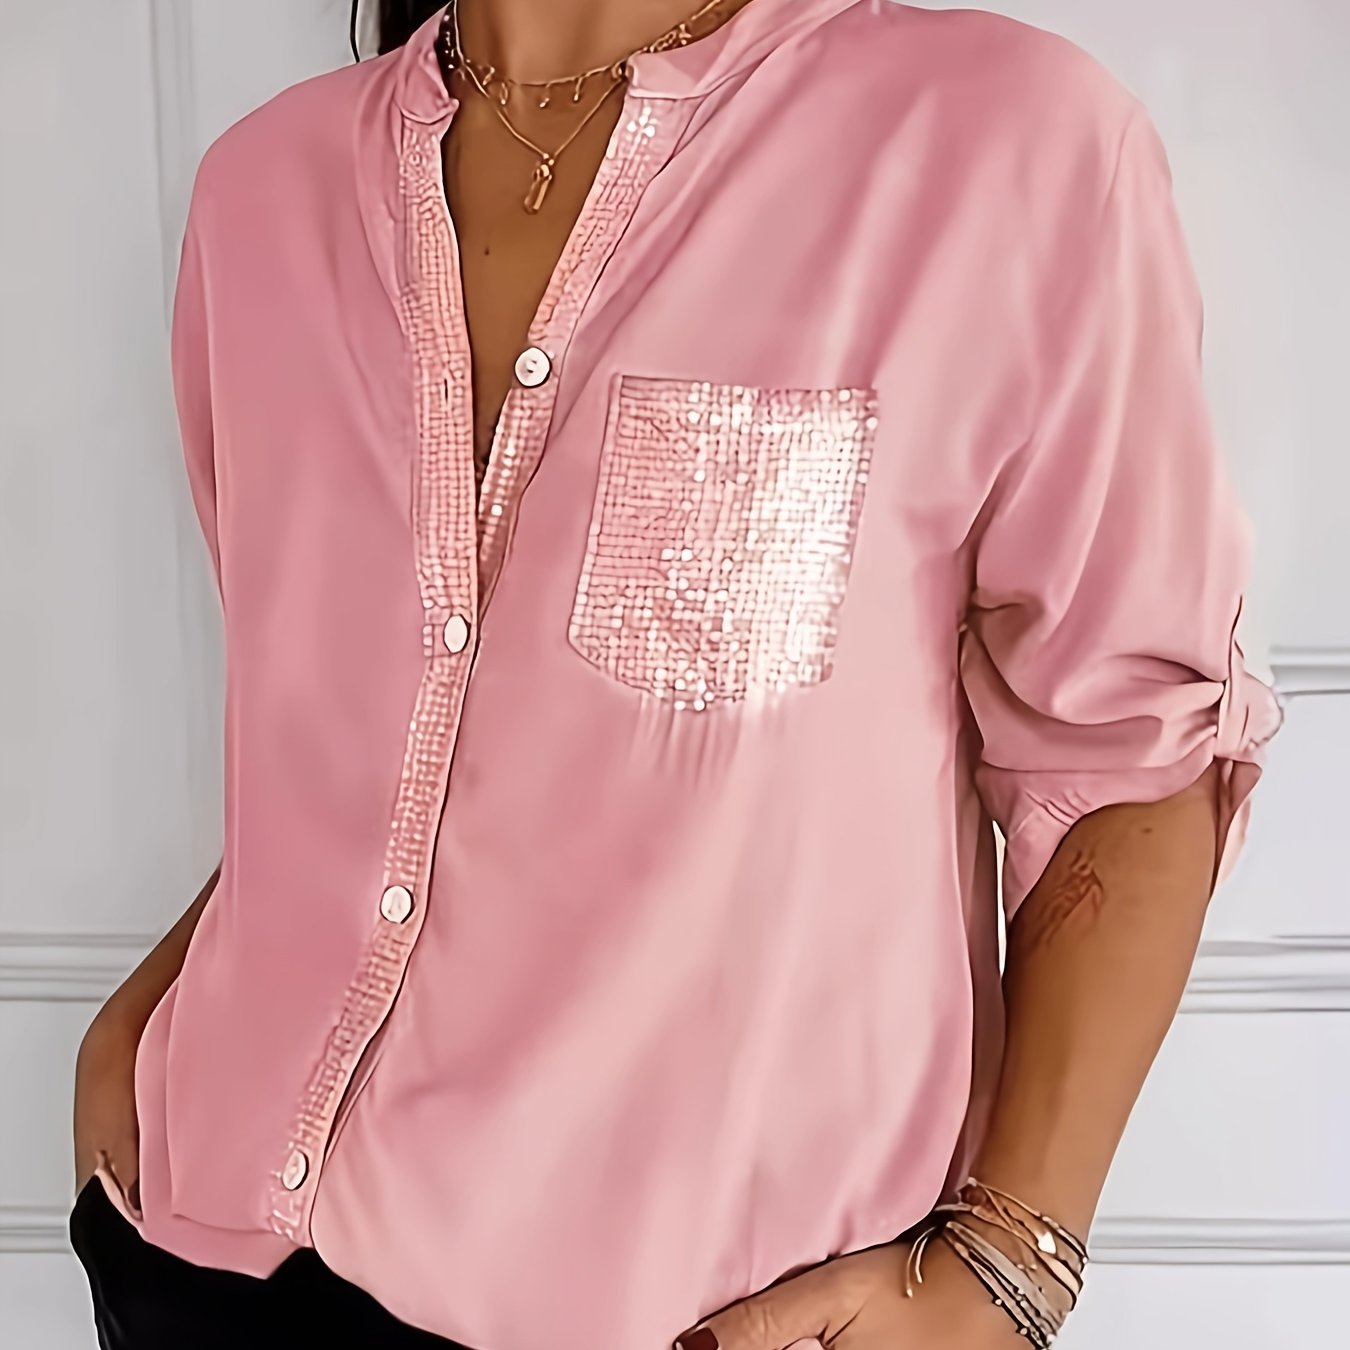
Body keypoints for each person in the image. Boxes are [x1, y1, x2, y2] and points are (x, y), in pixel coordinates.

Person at [70, 1, 1283, 1348]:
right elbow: (366, 723)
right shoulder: (258, 192)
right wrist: (151, 1009)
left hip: (712, 1316)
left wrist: (1011, 1263)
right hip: (196, 1251)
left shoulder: (1002, 144)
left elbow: (1131, 755)